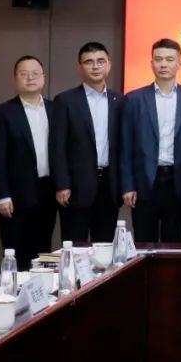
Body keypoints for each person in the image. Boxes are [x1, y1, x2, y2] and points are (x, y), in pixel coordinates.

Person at [120, 38, 181, 243]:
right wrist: (128, 185)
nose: (163, 64)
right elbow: (125, 145)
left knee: (175, 242)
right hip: (145, 181)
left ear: (179, 63)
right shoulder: (134, 99)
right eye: (158, 59)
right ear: (151, 63)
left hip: (178, 180)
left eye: (169, 59)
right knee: (143, 241)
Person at [50, 42, 123, 243]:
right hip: (75, 188)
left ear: (108, 65)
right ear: (79, 67)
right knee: (75, 247)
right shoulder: (65, 100)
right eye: (89, 62)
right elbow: (57, 146)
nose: (95, 66)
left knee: (105, 247)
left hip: (109, 186)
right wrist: (62, 184)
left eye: (100, 61)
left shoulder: (120, 101)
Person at [0, 55, 57, 269]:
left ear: (43, 77)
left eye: (35, 74)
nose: (30, 78)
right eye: (23, 74)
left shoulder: (55, 109)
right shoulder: (3, 113)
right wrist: (1, 195)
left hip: (48, 191)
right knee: (16, 251)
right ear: (15, 79)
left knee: (43, 250)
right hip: (16, 195)